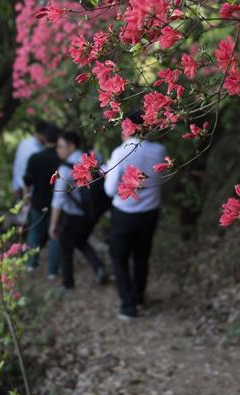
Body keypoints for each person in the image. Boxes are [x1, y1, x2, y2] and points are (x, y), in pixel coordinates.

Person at [103, 112, 167, 320]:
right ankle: (139, 296)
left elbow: (109, 190)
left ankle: (128, 306)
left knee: (119, 258)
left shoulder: (120, 152)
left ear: (127, 129)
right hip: (150, 212)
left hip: (125, 213)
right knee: (142, 256)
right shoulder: (159, 150)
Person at [49, 130, 107, 290]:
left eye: (60, 146)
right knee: (80, 241)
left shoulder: (65, 169)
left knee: (65, 247)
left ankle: (67, 284)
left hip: (74, 216)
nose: (58, 150)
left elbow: (58, 199)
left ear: (72, 146)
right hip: (95, 212)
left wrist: (53, 224)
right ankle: (99, 267)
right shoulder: (93, 157)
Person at [22, 124, 62, 277]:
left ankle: (31, 263)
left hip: (37, 201)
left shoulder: (35, 157)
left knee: (34, 232)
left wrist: (26, 199)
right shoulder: (60, 159)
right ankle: (52, 271)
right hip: (56, 203)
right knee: (54, 235)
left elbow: (27, 181)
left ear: (45, 138)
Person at [11, 120, 48, 222]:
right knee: (29, 221)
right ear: (42, 134)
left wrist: (14, 185)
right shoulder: (37, 151)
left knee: (21, 219)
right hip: (27, 190)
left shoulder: (24, 142)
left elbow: (16, 165)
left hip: (18, 187)